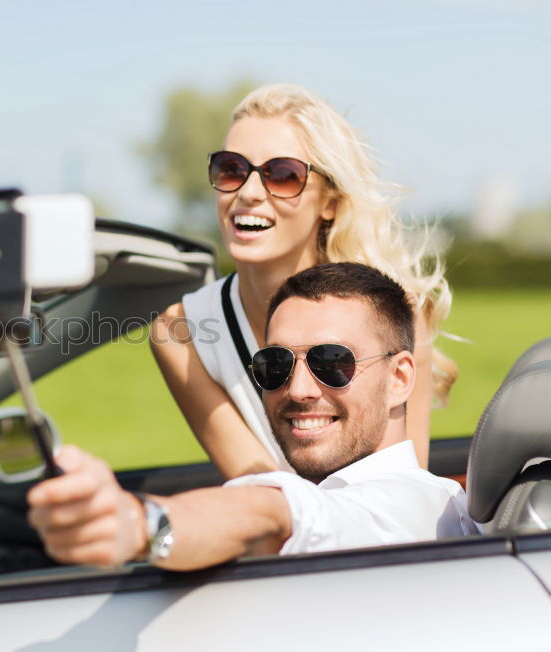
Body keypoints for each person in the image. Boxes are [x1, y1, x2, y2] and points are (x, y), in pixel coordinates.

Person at [26, 263, 478, 570]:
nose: (298, 389)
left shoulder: (400, 509)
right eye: (275, 365)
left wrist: (138, 523)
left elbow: (269, 514)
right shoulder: (428, 502)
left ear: (400, 378)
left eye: (333, 362)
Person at [150, 84, 456, 479]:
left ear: (329, 202)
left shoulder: (399, 313)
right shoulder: (178, 333)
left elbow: (402, 495)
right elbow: (262, 492)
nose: (249, 193)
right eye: (232, 169)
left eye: (283, 175)